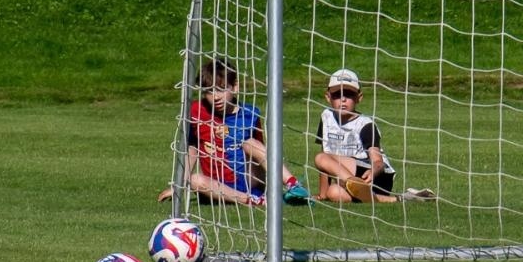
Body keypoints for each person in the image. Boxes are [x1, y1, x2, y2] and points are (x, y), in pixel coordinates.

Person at [157, 57, 312, 207]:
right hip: (215, 186)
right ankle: (253, 201)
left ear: (235, 86)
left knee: (251, 143)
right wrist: (178, 185)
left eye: (221, 89)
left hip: (249, 180)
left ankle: (293, 184)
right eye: (209, 91)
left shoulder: (250, 114)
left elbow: (261, 154)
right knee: (196, 180)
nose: (216, 97)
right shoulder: (197, 111)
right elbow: (192, 149)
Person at [314, 68, 436, 203]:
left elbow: (378, 161)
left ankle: (355, 184)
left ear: (359, 97)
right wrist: (323, 195)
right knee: (334, 192)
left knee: (321, 158)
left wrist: (373, 171)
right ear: (327, 97)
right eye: (337, 94)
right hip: (349, 175)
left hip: (375, 176)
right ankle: (398, 199)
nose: (343, 99)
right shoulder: (326, 117)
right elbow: (326, 163)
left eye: (348, 94)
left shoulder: (366, 125)